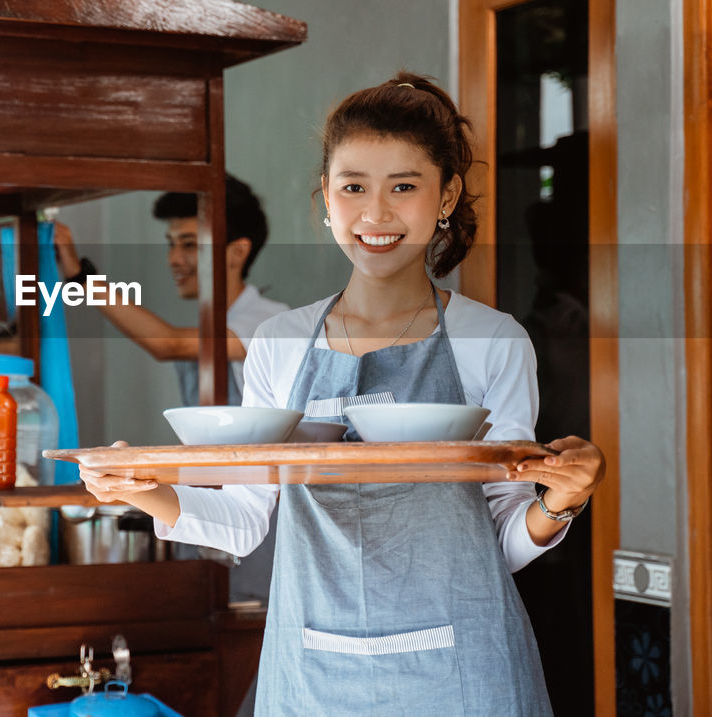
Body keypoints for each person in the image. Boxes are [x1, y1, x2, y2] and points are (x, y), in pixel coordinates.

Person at [76, 73, 606, 714]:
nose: (375, 214)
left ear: (446, 196)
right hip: (311, 670)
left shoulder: (493, 341)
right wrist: (140, 487)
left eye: (403, 187)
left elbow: (499, 541)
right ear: (326, 198)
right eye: (353, 187)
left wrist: (563, 502)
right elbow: (246, 520)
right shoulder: (280, 342)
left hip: (462, 669)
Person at [53, 175, 289, 407]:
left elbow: (169, 345)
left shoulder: (269, 321)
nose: (173, 259)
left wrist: (80, 277)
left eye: (189, 244)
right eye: (171, 244)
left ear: (238, 252)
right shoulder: (219, 323)